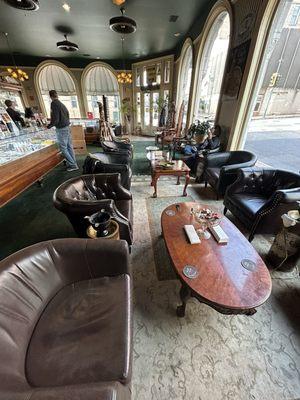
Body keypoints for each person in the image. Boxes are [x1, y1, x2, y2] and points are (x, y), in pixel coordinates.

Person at [47, 90, 78, 172]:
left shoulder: (54, 104)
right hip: (67, 127)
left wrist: (49, 126)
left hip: (61, 129)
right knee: (69, 146)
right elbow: (67, 115)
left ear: (50, 96)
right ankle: (73, 163)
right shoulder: (61, 104)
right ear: (57, 95)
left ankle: (73, 165)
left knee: (63, 148)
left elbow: (56, 119)